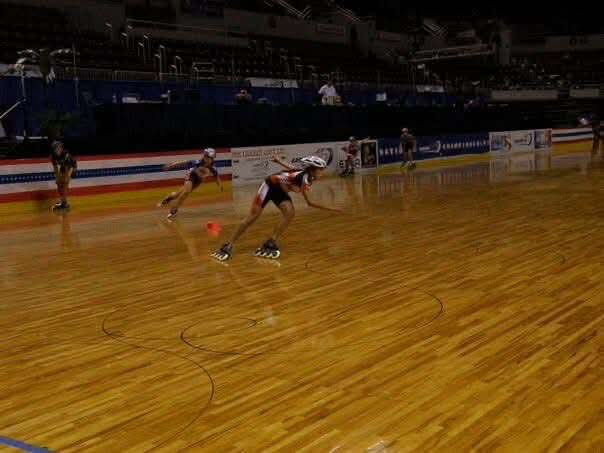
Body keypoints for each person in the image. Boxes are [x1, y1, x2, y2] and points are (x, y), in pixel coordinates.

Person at [211, 155, 341, 261]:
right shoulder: (303, 178)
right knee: (253, 217)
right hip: (268, 186)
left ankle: (270, 241)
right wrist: (332, 208)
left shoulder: (306, 175)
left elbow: (291, 168)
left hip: (279, 189)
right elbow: (310, 203)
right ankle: (228, 244)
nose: (322, 172)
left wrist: (279, 161)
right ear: (312, 169)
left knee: (290, 213)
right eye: (320, 170)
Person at [157, 148, 224, 220]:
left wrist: (220, 185)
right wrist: (171, 166)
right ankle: (174, 210)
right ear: (204, 156)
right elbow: (182, 163)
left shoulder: (213, 168)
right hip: (191, 176)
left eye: (211, 158)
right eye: (207, 157)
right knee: (186, 192)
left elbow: (216, 177)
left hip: (198, 181)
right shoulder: (197, 162)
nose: (209, 160)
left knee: (177, 194)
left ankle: (167, 199)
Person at [50, 140, 77, 211]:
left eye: (60, 148)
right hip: (63, 166)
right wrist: (57, 178)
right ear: (53, 150)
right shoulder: (52, 156)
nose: (59, 150)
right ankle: (63, 201)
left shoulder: (66, 155)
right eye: (57, 149)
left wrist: (67, 178)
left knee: (65, 183)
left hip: (71, 166)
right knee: (59, 183)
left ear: (62, 148)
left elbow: (69, 168)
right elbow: (55, 168)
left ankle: (64, 203)